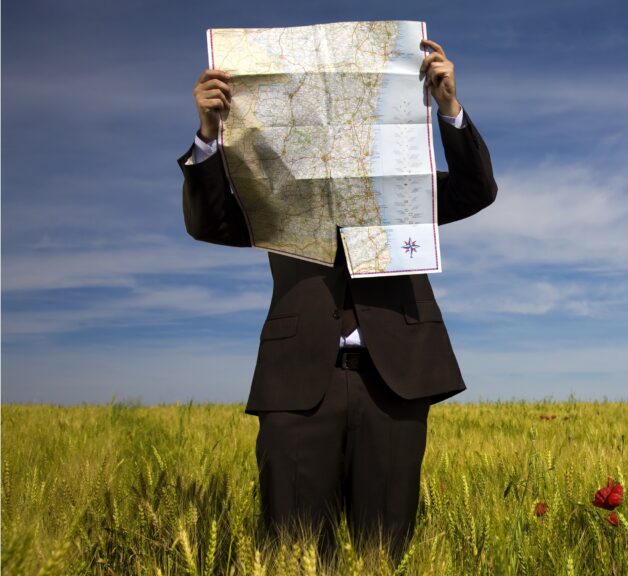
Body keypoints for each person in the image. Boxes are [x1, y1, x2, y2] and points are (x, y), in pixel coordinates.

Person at [178, 38, 497, 561]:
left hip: (394, 381)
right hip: (297, 382)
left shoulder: (404, 188)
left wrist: (448, 108)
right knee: (293, 550)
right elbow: (210, 221)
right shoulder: (275, 192)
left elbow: (476, 190)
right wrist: (209, 135)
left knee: (384, 553)